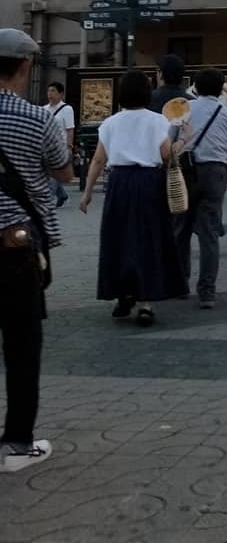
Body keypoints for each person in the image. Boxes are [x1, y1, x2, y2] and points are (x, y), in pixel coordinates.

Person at [0, 28, 72, 472]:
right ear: (26, 66)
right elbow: (63, 173)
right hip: (15, 245)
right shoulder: (38, 118)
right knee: (22, 344)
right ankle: (16, 444)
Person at [80, 70, 187, 326]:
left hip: (118, 183)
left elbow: (98, 160)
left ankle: (121, 295)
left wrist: (86, 193)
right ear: (146, 93)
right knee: (148, 240)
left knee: (118, 240)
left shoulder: (110, 123)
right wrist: (183, 141)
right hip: (149, 183)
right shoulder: (158, 121)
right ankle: (145, 303)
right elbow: (165, 155)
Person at [174, 68, 227, 308]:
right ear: (220, 89)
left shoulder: (183, 108)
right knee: (209, 233)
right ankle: (207, 291)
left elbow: (168, 143)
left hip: (186, 170)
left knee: (180, 228)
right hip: (215, 173)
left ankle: (180, 283)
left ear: (195, 87)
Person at [43, 81, 75, 207]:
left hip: (60, 147)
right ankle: (61, 194)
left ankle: (47, 203)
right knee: (49, 174)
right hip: (45, 147)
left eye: (53, 91)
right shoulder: (44, 109)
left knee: (53, 175)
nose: (50, 94)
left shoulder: (67, 109)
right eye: (49, 91)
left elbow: (70, 129)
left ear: (61, 94)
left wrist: (69, 147)